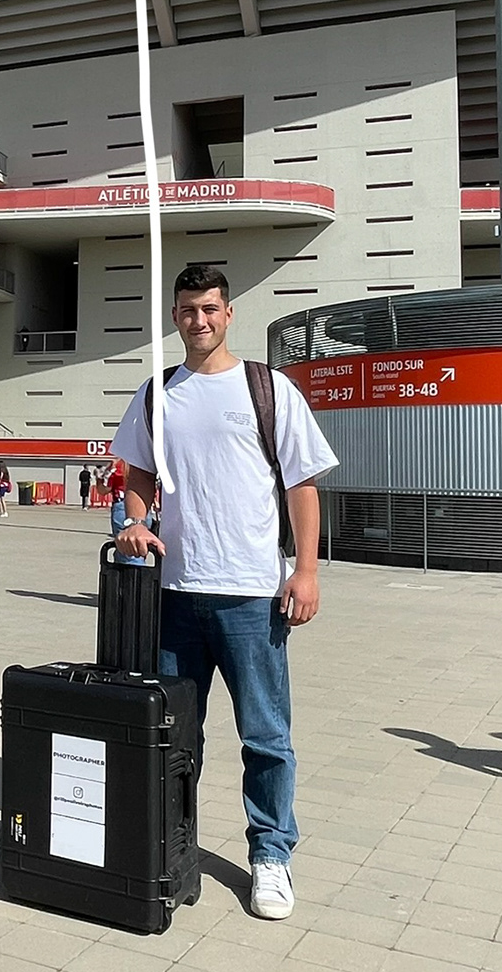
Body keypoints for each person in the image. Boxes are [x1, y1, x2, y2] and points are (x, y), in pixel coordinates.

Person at [112, 264, 338, 921]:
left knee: (266, 734)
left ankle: (271, 852)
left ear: (229, 312)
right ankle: (169, 845)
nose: (199, 320)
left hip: (251, 597)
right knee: (174, 736)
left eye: (210, 308)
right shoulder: (159, 395)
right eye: (187, 309)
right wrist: (131, 521)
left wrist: (308, 570)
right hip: (176, 596)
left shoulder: (268, 389)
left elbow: (302, 484)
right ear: (175, 315)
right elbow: (139, 476)